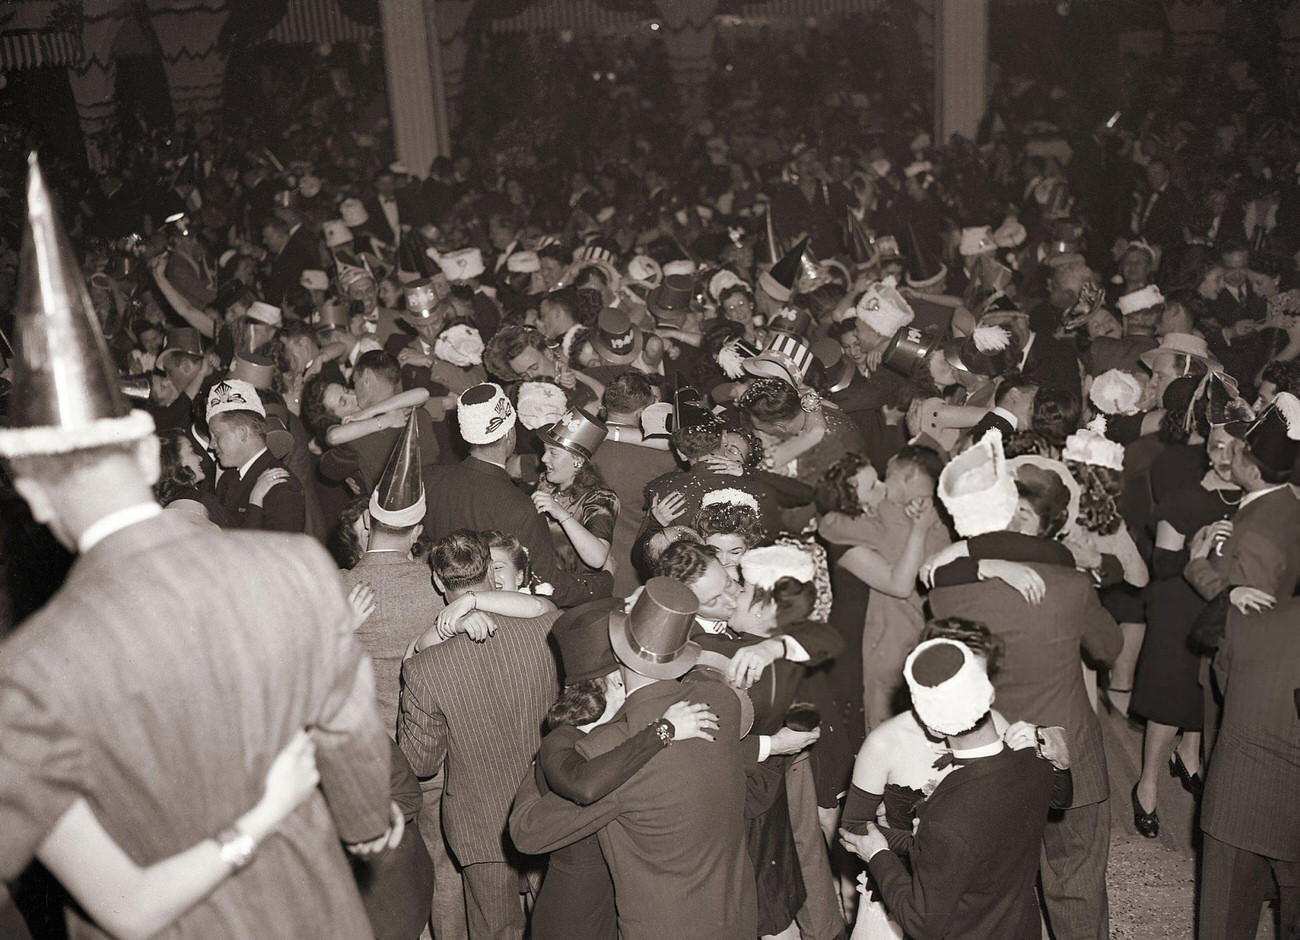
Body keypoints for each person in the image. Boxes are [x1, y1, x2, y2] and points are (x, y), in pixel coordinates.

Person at [0, 157, 394, 937]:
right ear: (149, 459)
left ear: (36, 499)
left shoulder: (29, 673)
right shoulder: (296, 568)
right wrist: (364, 827)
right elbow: (350, 732)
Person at [927, 431, 1121, 940]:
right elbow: (1110, 651)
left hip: (991, 760)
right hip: (1069, 750)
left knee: (998, 893)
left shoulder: (949, 591)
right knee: (1075, 883)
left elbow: (940, 577)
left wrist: (976, 560)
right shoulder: (1072, 584)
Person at [509, 577, 758, 940]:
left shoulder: (608, 750)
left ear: (614, 678)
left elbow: (527, 833)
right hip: (736, 919)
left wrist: (556, 744)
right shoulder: (721, 702)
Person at [838, 635, 1074, 940]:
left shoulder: (947, 816)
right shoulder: (1034, 759)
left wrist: (879, 853)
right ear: (988, 696)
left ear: (934, 726)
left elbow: (924, 924)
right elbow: (1060, 797)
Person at [399, 530, 560, 940]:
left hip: (478, 822)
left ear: (438, 581)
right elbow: (545, 606)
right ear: (491, 569)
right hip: (551, 805)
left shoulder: (424, 665)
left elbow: (420, 763)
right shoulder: (548, 626)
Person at [424, 382, 603, 607]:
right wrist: (600, 583)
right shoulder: (521, 508)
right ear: (510, 433)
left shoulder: (430, 478)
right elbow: (547, 586)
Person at [817, 446, 950, 729]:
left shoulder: (879, 520)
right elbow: (900, 584)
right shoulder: (845, 537)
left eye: (879, 479)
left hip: (891, 636)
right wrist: (918, 528)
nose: (883, 489)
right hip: (859, 644)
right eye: (872, 486)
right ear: (855, 502)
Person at [207, 378, 307, 533]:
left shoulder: (281, 486)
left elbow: (280, 553)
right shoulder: (228, 479)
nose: (211, 445)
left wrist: (254, 507)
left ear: (242, 432)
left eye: (216, 435)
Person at [532, 408, 620, 585]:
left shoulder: (600, 499)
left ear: (577, 461)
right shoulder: (546, 484)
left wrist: (561, 514)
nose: (543, 459)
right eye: (545, 451)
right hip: (539, 581)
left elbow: (597, 558)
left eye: (553, 453)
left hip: (574, 591)